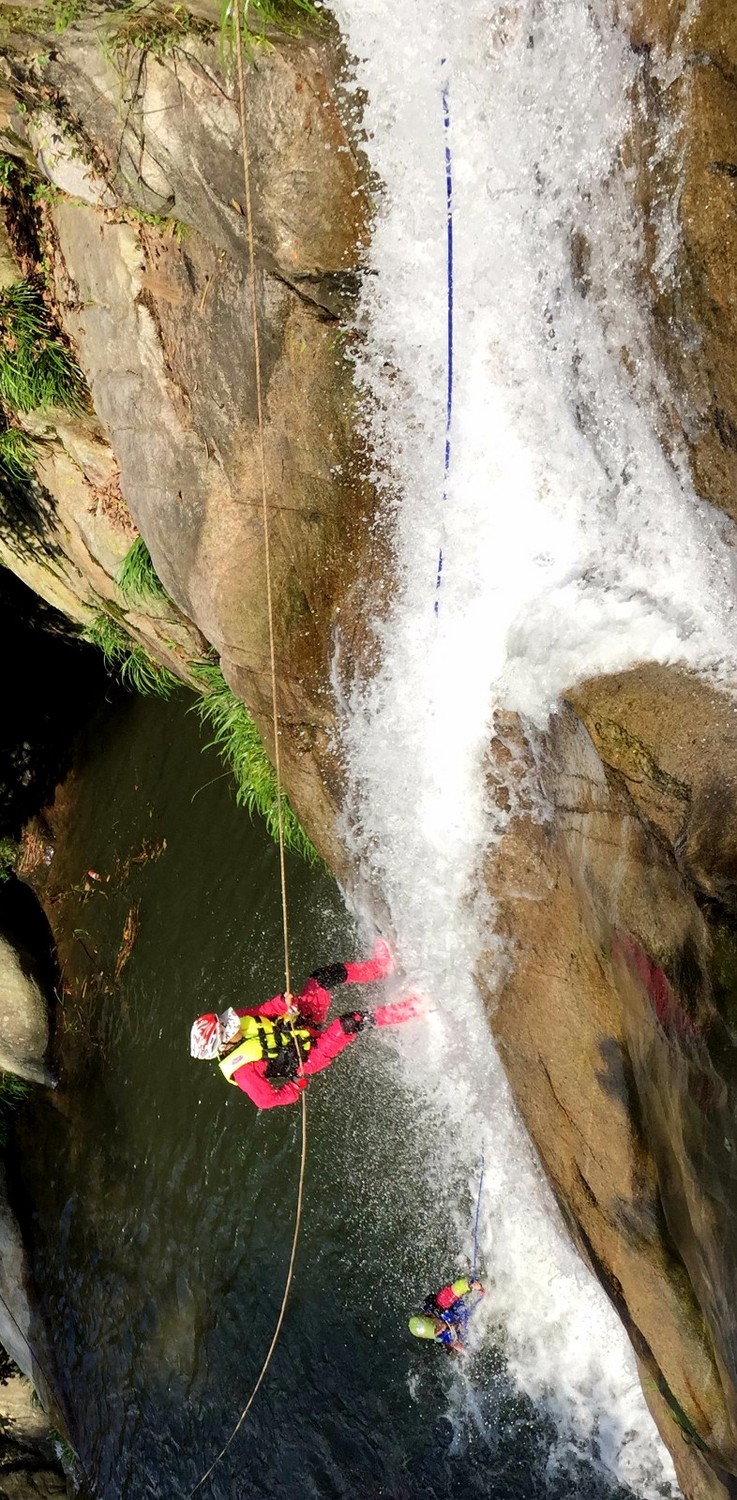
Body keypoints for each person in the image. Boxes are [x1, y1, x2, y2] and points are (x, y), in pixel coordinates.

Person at [190, 939, 421, 1109]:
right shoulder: (243, 1072)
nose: (234, 1025)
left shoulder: (237, 1020)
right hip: (309, 1055)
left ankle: (380, 967)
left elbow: (262, 1011)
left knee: (323, 977)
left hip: (300, 1022)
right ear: (223, 1045)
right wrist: (294, 1087)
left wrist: (282, 1003)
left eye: (226, 1023)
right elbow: (266, 1100)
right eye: (229, 1030)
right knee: (350, 1022)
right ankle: (412, 1009)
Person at [408, 1277, 485, 1354]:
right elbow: (453, 1345)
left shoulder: (442, 1302)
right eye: (437, 1331)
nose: (441, 1328)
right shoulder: (442, 1338)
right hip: (467, 1322)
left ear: (429, 1315)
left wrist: (471, 1285)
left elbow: (458, 1288)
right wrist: (457, 1348)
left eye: (436, 1327)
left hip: (465, 1304)